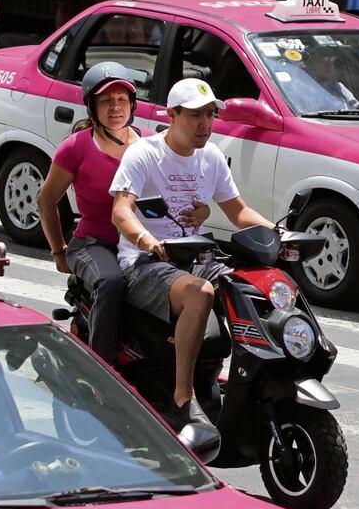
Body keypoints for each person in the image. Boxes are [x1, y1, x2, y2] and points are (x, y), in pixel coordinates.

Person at [110, 79, 276, 430]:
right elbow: (121, 211)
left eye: (210, 115)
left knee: (255, 284)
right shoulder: (144, 153)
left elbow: (239, 212)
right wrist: (145, 240)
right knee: (200, 293)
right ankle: (182, 398)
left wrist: (279, 233)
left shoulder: (211, 157)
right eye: (195, 115)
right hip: (147, 263)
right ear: (172, 115)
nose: (205, 124)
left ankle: (251, 379)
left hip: (198, 258)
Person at [39, 63, 210, 363]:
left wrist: (203, 210)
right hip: (95, 243)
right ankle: (101, 369)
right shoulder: (75, 148)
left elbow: (183, 186)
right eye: (106, 100)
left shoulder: (150, 143)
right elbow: (46, 200)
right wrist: (59, 252)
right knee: (112, 282)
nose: (115, 107)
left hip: (145, 242)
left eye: (122, 100)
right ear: (92, 107)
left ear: (132, 105)